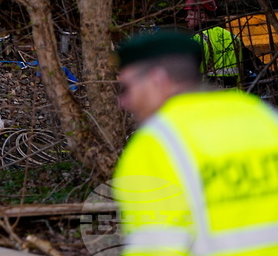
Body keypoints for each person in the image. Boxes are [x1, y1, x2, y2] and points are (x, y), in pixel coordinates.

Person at [113, 28, 278, 255]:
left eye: (127, 88)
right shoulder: (264, 117)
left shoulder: (155, 144)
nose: (124, 102)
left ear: (157, 80)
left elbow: (155, 248)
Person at [184, 0, 241, 86]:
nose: (186, 19)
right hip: (234, 98)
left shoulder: (196, 40)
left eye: (190, 14)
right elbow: (253, 64)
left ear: (202, 17)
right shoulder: (233, 37)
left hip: (207, 98)